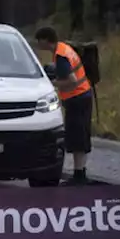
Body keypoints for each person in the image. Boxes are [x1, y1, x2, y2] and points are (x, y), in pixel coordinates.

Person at [34, 26, 93, 185]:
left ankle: (79, 176)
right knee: (80, 136)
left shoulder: (60, 56)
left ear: (46, 40)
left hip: (77, 98)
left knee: (77, 137)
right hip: (83, 96)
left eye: (39, 41)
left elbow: (72, 81)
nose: (38, 44)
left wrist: (53, 84)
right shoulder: (64, 48)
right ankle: (79, 173)